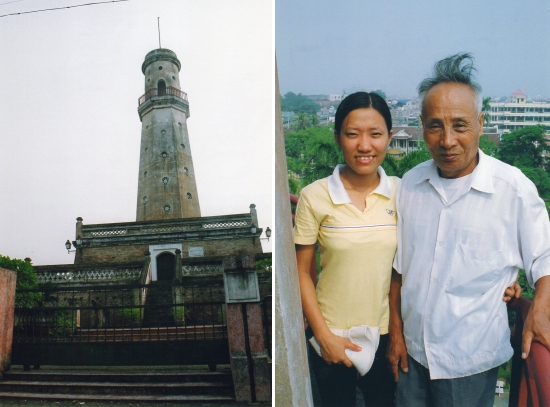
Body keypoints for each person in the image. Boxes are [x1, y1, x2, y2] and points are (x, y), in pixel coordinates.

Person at [388, 53, 550, 407]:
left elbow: (544, 256)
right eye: (435, 125)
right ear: (421, 125)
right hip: (411, 355)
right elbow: (400, 269)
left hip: (469, 361)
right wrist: (396, 335)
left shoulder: (512, 188)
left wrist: (539, 308)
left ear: (480, 122)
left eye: (460, 125)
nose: (447, 140)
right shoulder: (411, 185)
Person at [294, 91, 398, 406]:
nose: (364, 145)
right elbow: (301, 272)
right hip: (330, 334)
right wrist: (324, 336)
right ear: (338, 137)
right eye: (352, 134)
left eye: (375, 134)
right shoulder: (315, 196)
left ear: (389, 138)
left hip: (382, 336)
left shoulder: (401, 193)